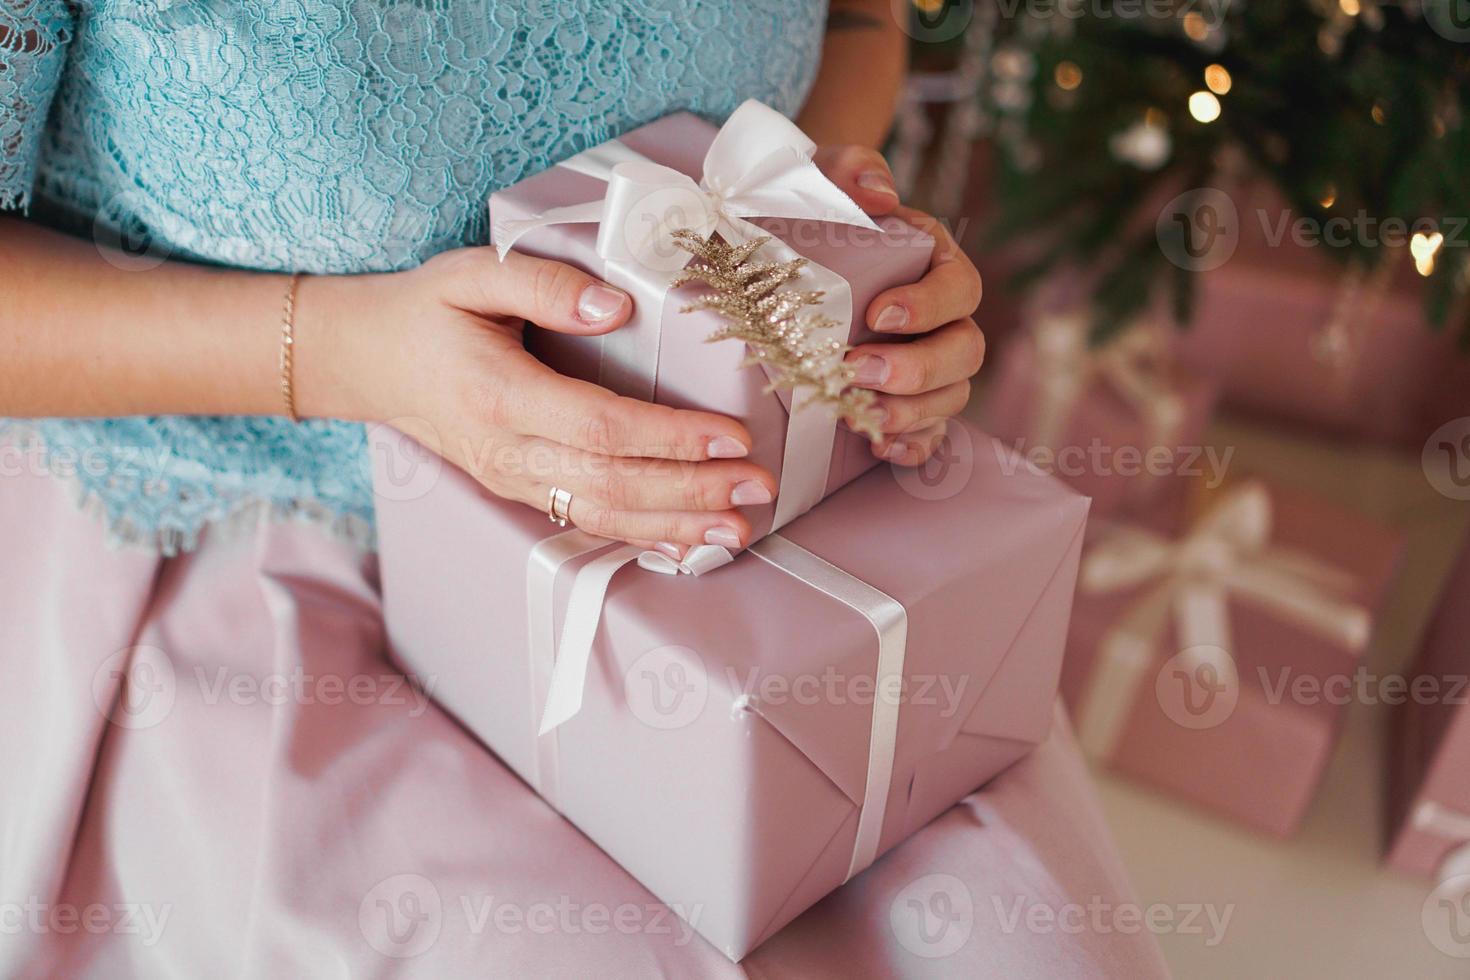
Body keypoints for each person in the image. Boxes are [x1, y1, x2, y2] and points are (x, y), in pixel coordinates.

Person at [0, 1, 984, 973]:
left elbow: (861, 18)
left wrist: (821, 243)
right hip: (255, 526)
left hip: (749, 515)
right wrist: (341, 357)